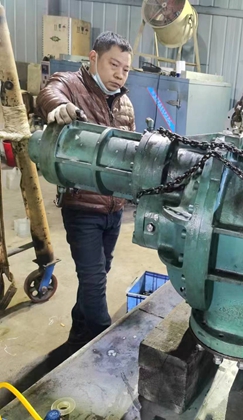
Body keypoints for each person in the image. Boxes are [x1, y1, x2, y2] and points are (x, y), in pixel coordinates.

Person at [37, 31, 135, 351]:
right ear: (94, 58)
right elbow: (49, 92)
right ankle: (102, 342)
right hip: (82, 208)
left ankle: (78, 336)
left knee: (100, 272)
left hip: (114, 210)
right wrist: (59, 107)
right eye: (113, 65)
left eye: (125, 69)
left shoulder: (125, 103)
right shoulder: (72, 85)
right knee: (93, 281)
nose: (120, 74)